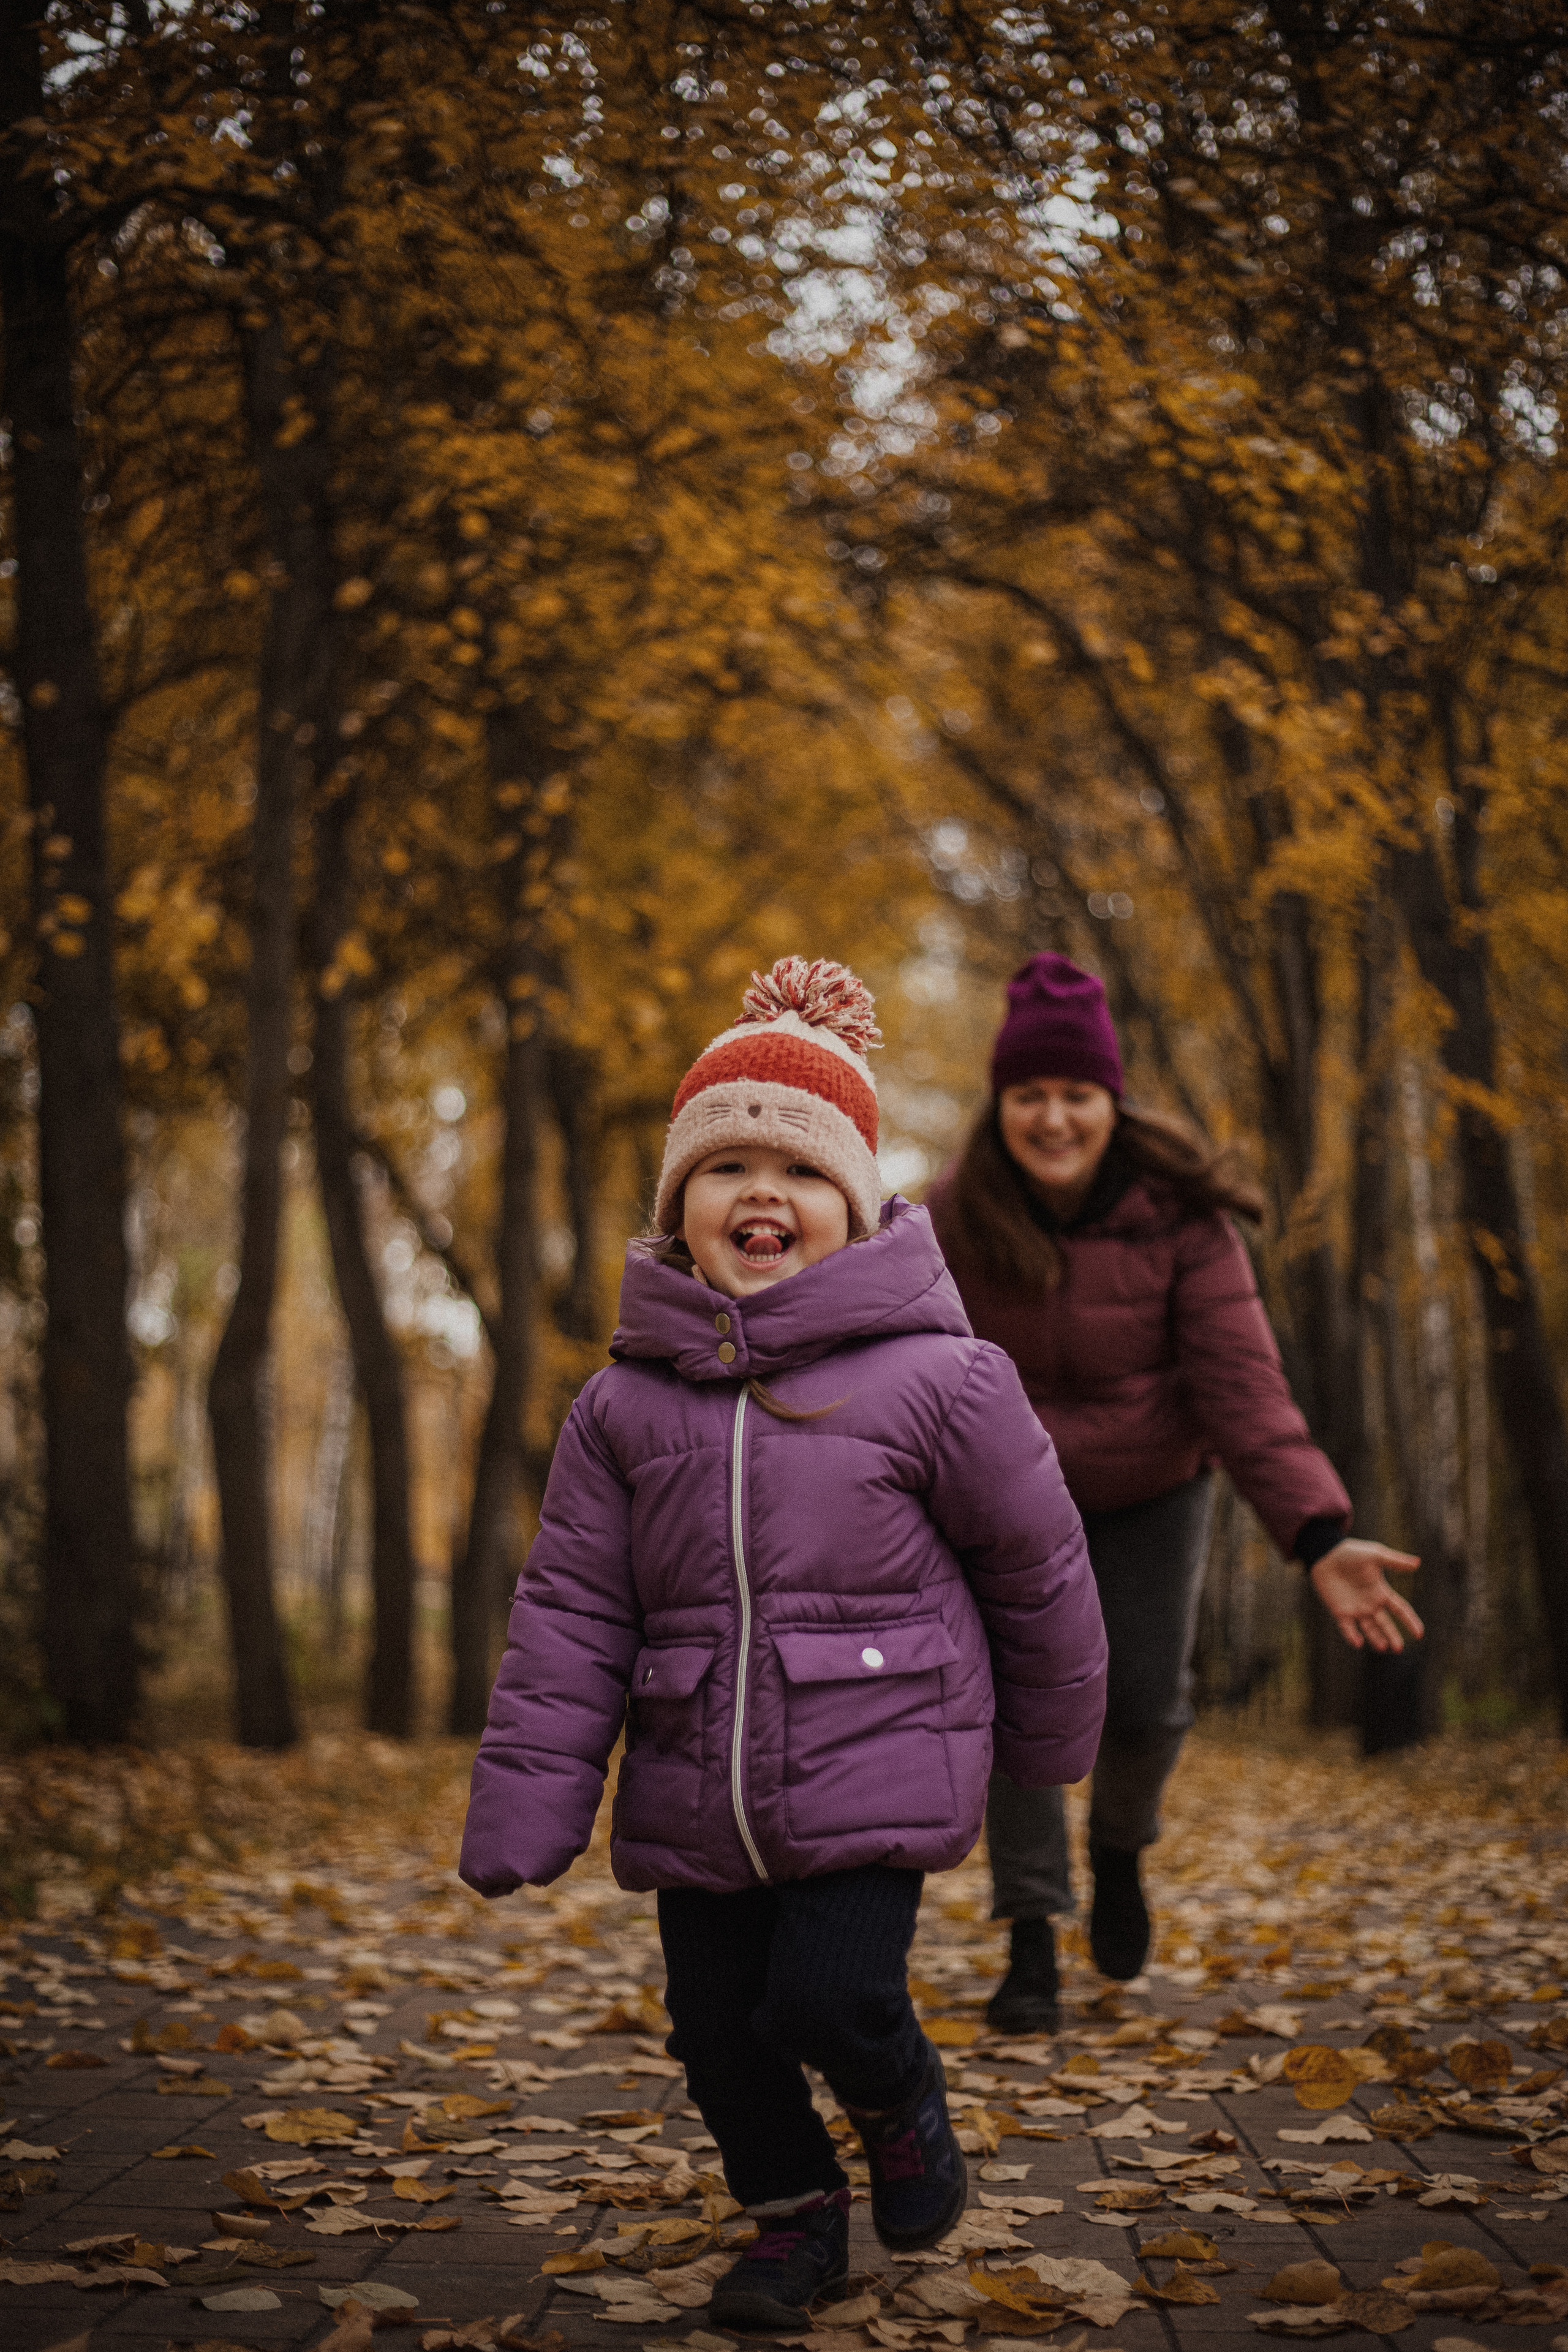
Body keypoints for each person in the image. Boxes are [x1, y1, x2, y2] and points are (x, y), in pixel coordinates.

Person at [460, 956, 1107, 2332]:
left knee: (830, 1995)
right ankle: (793, 2214)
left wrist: (1049, 1741)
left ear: (857, 1207)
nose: (762, 1193)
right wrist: (530, 1799)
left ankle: (900, 2098)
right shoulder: (621, 1409)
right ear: (677, 1206)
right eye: (725, 1166)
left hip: (878, 1754)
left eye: (801, 1169)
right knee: (713, 2028)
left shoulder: (941, 1381)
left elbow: (1035, 1564)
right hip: (696, 1772)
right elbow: (573, 1614)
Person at [927, 952, 1423, 2034]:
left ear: (1112, 1099)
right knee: (1017, 1703)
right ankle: (1031, 1936)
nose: (1053, 1118)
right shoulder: (954, 1214)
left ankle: (1118, 1848)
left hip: (1153, 1489)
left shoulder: (1184, 1219)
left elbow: (1241, 1386)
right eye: (1029, 1094)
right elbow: (909, 1366)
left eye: (1076, 1093)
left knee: (1146, 1703)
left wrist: (1317, 1535)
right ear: (1000, 1102)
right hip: (1007, 1505)